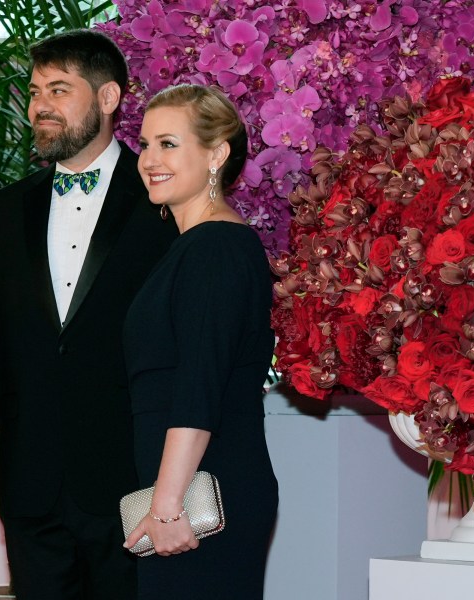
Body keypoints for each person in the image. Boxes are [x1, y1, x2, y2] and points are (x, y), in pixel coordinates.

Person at [0, 29, 177, 599]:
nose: (39, 105)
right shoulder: (4, 212)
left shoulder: (165, 205)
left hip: (135, 484)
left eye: (58, 89)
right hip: (31, 486)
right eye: (34, 90)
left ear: (108, 98)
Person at [122, 84, 279, 599]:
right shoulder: (194, 247)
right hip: (186, 493)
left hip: (200, 501)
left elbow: (198, 387)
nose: (149, 160)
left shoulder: (216, 248)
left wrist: (166, 506)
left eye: (168, 144)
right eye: (145, 145)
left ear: (216, 153)